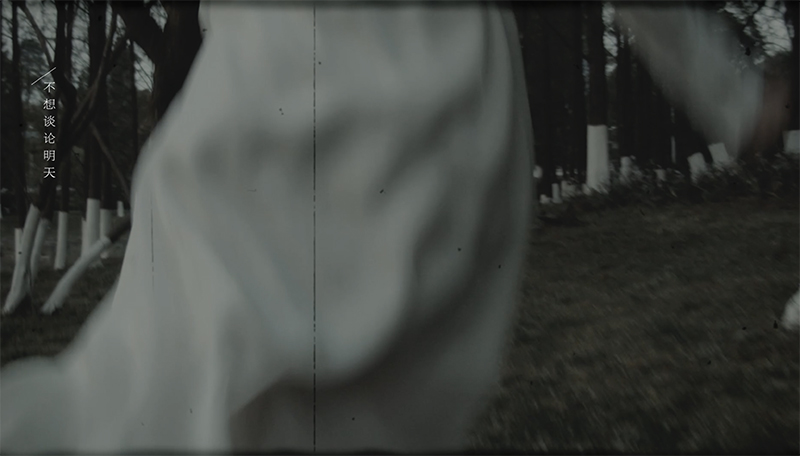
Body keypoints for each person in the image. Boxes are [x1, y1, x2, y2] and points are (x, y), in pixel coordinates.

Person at [0, 2, 789, 453]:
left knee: (184, 387)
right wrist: (731, 98)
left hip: (359, 92)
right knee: (172, 380)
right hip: (307, 86)